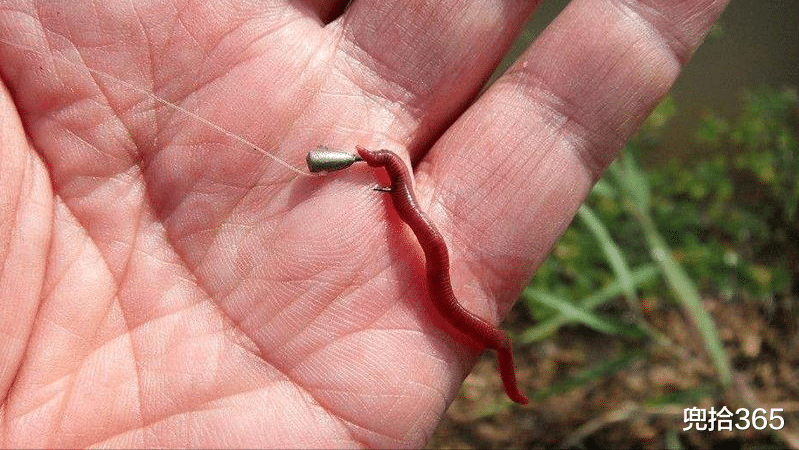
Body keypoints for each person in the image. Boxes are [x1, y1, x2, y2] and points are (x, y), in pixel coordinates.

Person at [0, 0, 729, 447]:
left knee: (460, 301)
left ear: (385, 167)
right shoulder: (388, 183)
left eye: (384, 163)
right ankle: (508, 368)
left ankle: (508, 365)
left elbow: (405, 205)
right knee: (456, 294)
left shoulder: (392, 181)